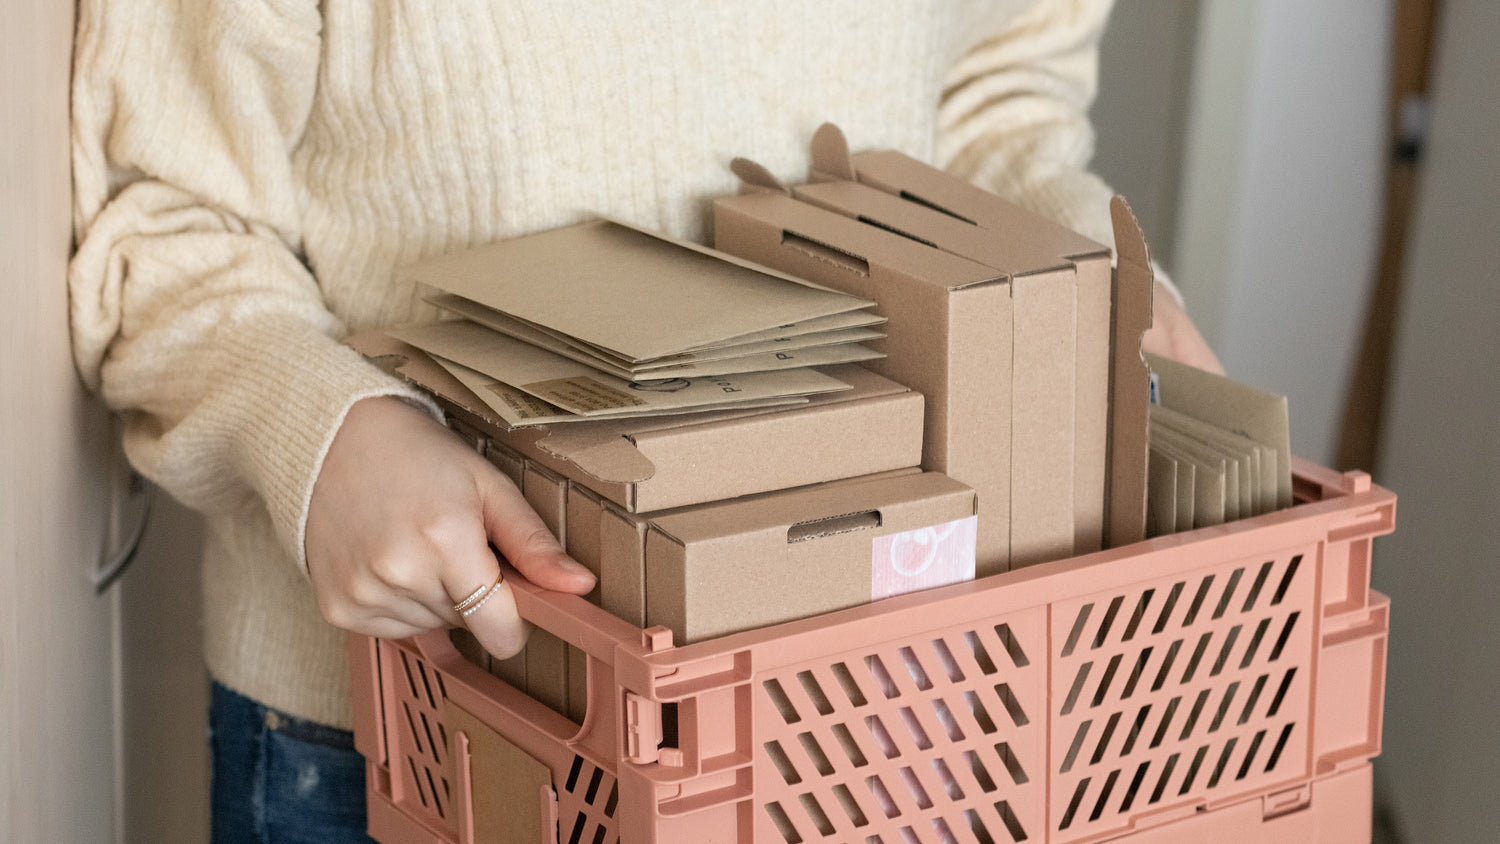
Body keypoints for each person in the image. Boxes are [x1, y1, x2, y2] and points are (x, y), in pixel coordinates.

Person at [68, 0, 1219, 839]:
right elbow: (158, 210)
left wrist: (1093, 281)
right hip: (407, 736)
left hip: (876, 715)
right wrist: (321, 433)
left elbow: (993, 99)